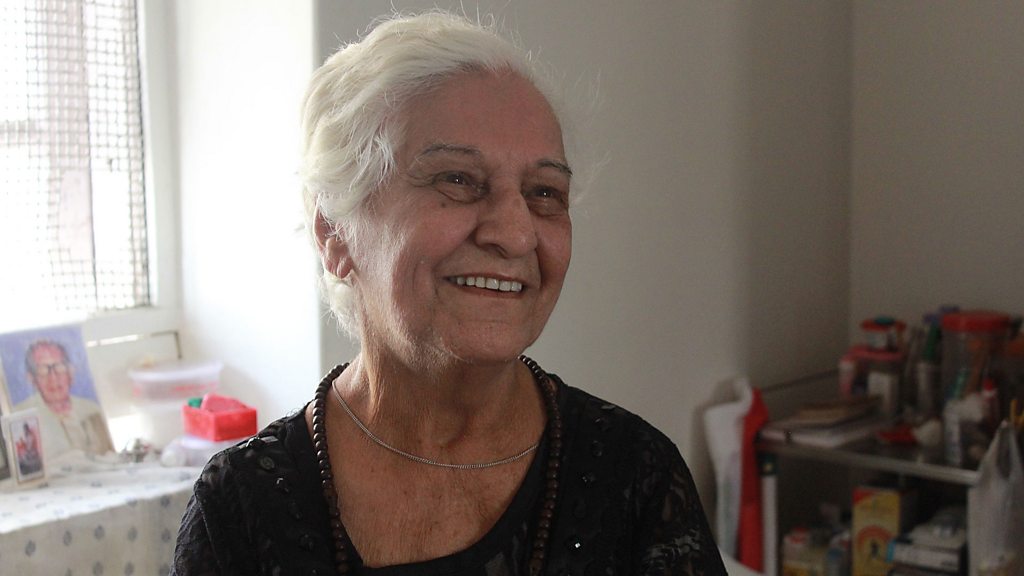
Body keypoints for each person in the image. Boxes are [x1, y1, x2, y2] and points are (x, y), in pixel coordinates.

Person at [173, 12, 725, 576]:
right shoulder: (241, 508)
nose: (515, 234)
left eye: (544, 192)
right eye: (457, 180)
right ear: (334, 232)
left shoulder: (635, 477)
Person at [14, 339, 113, 457]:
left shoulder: (91, 409)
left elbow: (109, 457)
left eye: (59, 367)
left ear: (70, 372)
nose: (53, 378)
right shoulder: (20, 417)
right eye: (42, 370)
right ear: (31, 378)